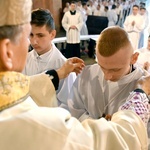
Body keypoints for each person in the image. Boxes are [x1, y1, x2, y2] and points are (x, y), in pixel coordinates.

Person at [0, 0, 150, 150]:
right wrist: (139, 95)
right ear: (7, 51)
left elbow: (24, 86)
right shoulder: (33, 123)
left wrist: (56, 74)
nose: (31, 42)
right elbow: (114, 139)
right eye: (27, 35)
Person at [68, 26, 150, 147]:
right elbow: (74, 110)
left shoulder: (145, 85)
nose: (107, 76)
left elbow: (144, 133)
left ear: (134, 58)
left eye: (115, 69)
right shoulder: (87, 74)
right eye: (102, 66)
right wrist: (100, 126)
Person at [23, 8, 76, 109]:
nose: (34, 41)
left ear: (52, 34)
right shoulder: (24, 60)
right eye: (31, 34)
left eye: (40, 35)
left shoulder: (63, 64)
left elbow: (68, 105)